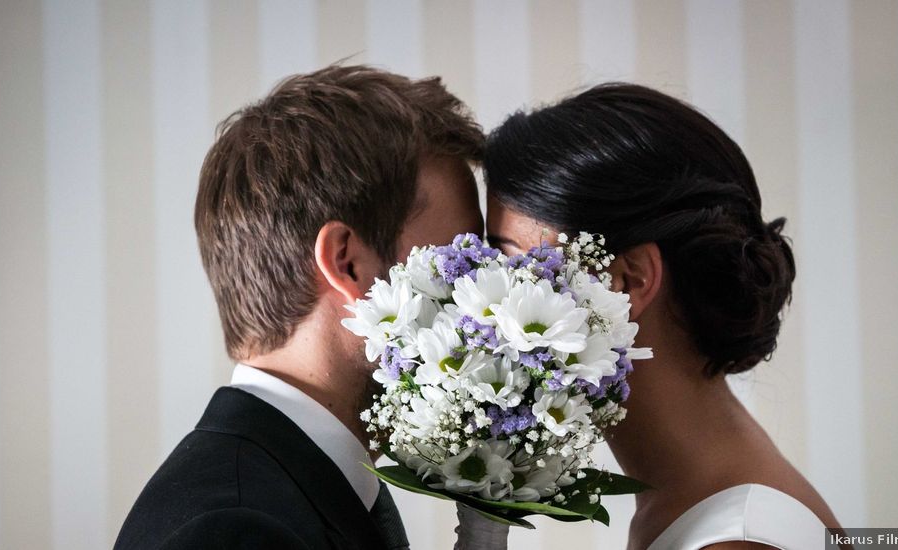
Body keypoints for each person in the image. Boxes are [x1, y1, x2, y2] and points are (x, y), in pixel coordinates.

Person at [114, 65, 484, 550]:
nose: (482, 300)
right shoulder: (235, 532)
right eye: (462, 259)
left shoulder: (292, 488)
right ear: (347, 263)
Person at [482, 83, 842, 549]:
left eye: (508, 260)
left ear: (628, 279)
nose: (480, 303)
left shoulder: (736, 541)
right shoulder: (688, 496)